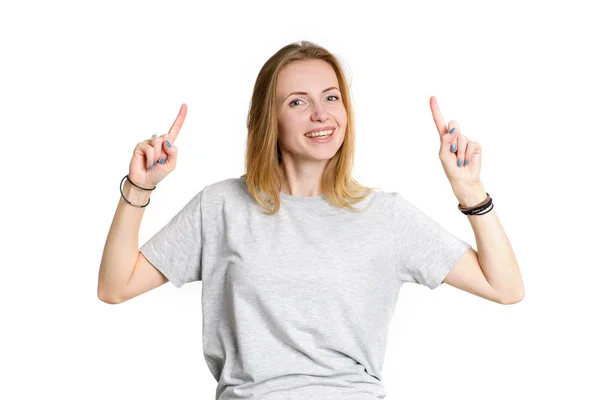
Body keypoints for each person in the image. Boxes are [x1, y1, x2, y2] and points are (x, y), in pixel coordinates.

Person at [98, 40, 524, 400]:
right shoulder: (222, 206)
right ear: (270, 120)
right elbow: (116, 287)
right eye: (298, 102)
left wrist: (469, 191)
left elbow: (504, 287)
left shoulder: (385, 217)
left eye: (331, 97)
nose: (321, 114)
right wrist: (139, 188)